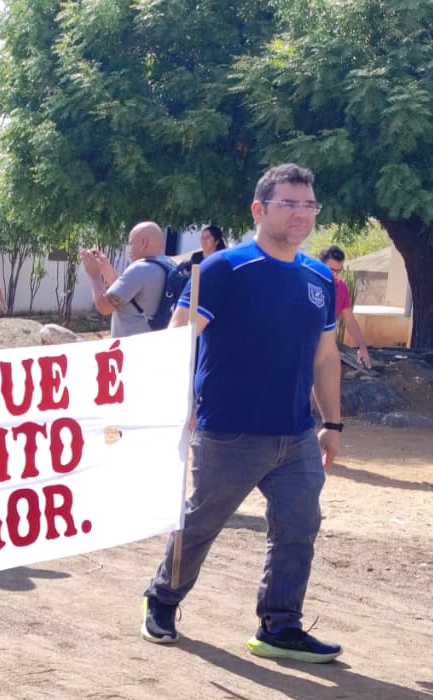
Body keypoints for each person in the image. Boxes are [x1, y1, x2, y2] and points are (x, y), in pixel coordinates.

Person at [141, 163, 343, 664]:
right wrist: (177, 404)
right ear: (259, 209)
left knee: (299, 525)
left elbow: (325, 357)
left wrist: (332, 423)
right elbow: (178, 339)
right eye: (288, 203)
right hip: (228, 431)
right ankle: (162, 599)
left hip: (296, 433)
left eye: (309, 205)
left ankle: (280, 625)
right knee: (202, 522)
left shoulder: (320, 277)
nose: (301, 214)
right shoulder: (224, 270)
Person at [80, 221, 169, 337]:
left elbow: (104, 306)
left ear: (143, 243)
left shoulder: (140, 269)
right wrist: (105, 268)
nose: (128, 250)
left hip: (133, 345)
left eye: (131, 244)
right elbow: (128, 294)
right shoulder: (169, 265)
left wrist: (95, 275)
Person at [318, 245, 370, 368]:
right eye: (331, 270)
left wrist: (362, 346)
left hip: (325, 348)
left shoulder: (341, 287)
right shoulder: (304, 282)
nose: (334, 275)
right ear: (319, 263)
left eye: (338, 271)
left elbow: (349, 319)